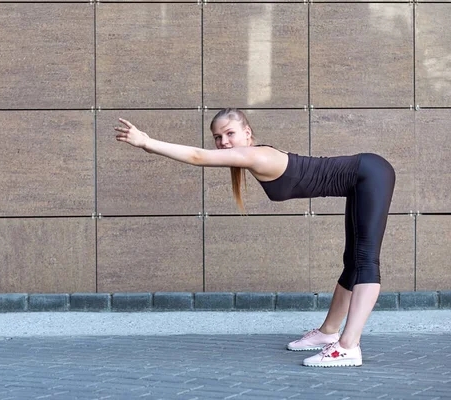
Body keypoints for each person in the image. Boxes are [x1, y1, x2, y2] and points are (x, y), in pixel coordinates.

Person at [115, 108, 396, 368]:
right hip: (364, 176)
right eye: (218, 137)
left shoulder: (254, 155)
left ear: (247, 133)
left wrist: (146, 142)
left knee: (365, 260)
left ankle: (348, 346)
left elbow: (197, 157)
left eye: (230, 133)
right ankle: (328, 333)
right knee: (352, 261)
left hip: (370, 174)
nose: (224, 141)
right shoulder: (251, 156)